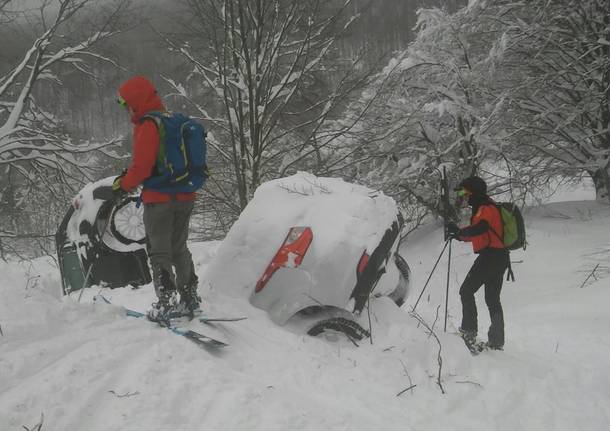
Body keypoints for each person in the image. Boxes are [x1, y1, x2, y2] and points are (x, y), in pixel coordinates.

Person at [112, 75, 201, 321]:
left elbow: (141, 167)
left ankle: (167, 303)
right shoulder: (171, 121)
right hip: (186, 196)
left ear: (136, 101)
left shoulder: (148, 125)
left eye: (125, 104)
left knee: (159, 251)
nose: (126, 109)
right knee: (179, 248)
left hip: (160, 200)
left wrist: (122, 186)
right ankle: (189, 297)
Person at [446, 176, 509, 351]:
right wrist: (460, 234)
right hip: (499, 257)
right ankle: (496, 341)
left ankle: (468, 333)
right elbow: (481, 233)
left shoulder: (486, 208)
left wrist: (459, 233)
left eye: (466, 192)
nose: (464, 196)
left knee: (466, 290)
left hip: (491, 257)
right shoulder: (487, 205)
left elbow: (480, 228)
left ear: (474, 191)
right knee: (492, 299)